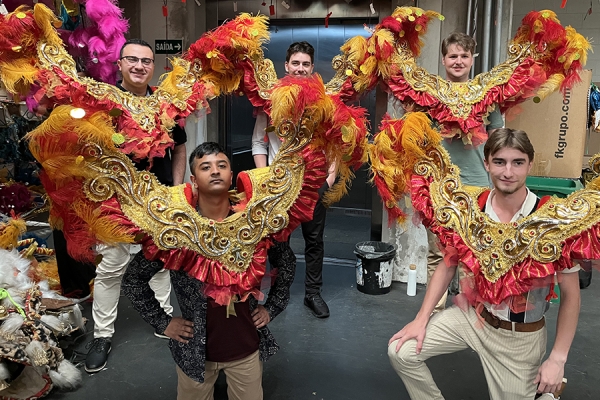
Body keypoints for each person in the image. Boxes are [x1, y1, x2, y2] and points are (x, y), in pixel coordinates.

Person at [388, 128, 581, 400]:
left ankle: (548, 393)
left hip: (518, 338)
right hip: (472, 317)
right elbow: (448, 264)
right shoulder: (471, 209)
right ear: (486, 163)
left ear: (530, 165)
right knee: (401, 351)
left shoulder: (551, 219)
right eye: (500, 162)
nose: (508, 172)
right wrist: (421, 319)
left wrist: (558, 358)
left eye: (517, 162)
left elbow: (572, 296)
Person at [122, 142, 295, 400]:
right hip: (194, 352)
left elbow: (287, 262)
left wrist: (272, 307)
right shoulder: (177, 229)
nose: (215, 171)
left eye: (221, 165)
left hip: (245, 349)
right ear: (193, 179)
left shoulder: (255, 221)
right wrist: (164, 322)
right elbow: (133, 280)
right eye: (206, 167)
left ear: (231, 173)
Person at [85, 38, 187, 373]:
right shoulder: (104, 102)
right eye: (132, 60)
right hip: (114, 203)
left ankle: (163, 319)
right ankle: (101, 336)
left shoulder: (165, 103)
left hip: (157, 200)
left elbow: (180, 148)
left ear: (153, 67)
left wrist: (175, 189)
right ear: (120, 63)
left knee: (158, 262)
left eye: (146, 61)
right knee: (111, 268)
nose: (139, 66)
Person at [251, 41, 335, 318]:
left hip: (313, 184)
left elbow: (335, 140)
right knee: (276, 242)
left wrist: (330, 176)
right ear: (286, 66)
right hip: (279, 184)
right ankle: (279, 292)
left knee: (314, 241)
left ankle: (313, 293)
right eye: (295, 63)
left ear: (312, 68)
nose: (300, 68)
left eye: (305, 64)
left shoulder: (323, 102)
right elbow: (258, 142)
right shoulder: (269, 100)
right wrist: (264, 177)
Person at [426, 32, 504, 312]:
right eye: (453, 56)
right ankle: (432, 311)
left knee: (473, 252)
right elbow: (419, 138)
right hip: (438, 185)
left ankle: (469, 314)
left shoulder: (487, 95)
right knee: (439, 253)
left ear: (472, 60)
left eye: (464, 56)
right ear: (444, 59)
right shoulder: (430, 95)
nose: (458, 61)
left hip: (478, 185)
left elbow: (498, 143)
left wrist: (498, 180)